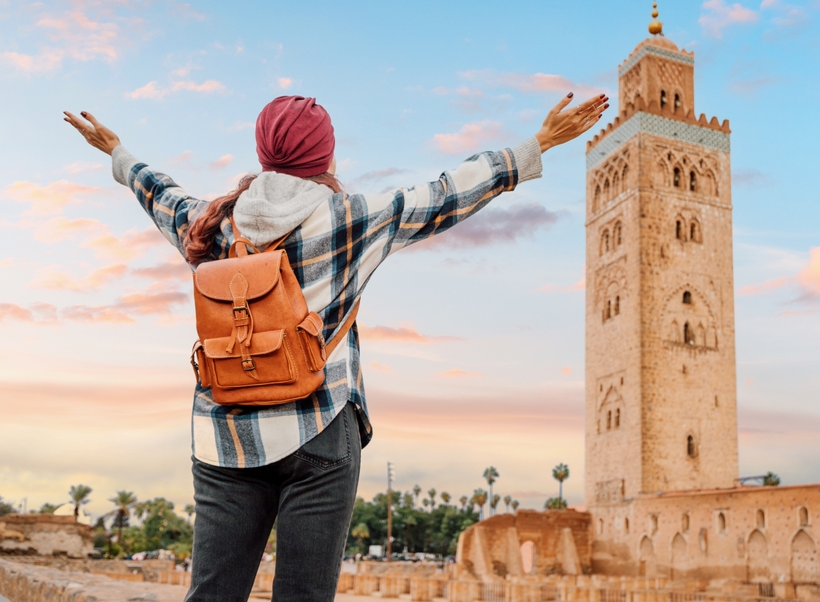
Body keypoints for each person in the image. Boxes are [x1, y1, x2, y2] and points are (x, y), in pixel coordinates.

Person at [63, 91, 608, 602]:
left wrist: (117, 151)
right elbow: (447, 192)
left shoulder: (209, 222)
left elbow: (157, 192)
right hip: (319, 426)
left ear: (264, 152)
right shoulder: (352, 219)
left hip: (224, 433)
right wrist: (537, 145)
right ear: (324, 155)